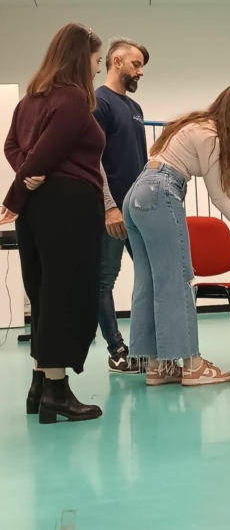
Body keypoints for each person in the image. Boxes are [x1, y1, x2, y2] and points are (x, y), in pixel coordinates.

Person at [124, 83, 230, 387]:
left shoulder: (199, 125)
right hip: (161, 192)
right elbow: (219, 196)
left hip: (138, 193)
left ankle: (159, 366)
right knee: (177, 279)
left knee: (150, 281)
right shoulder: (211, 136)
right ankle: (192, 364)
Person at [0, 23, 106, 423]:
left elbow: (14, 146)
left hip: (39, 209)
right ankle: (57, 393)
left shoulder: (30, 99)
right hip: (69, 205)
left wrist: (26, 181)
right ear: (82, 58)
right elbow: (46, 151)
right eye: (96, 60)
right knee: (67, 293)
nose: (96, 68)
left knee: (44, 292)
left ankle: (40, 387)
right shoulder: (75, 98)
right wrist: (22, 185)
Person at [94, 37, 150, 374]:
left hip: (139, 210)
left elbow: (140, 161)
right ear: (116, 62)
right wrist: (108, 207)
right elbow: (93, 159)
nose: (141, 71)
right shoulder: (98, 103)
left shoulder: (134, 108)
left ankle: (149, 346)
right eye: (136, 64)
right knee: (104, 280)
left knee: (150, 275)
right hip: (114, 211)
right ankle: (117, 350)